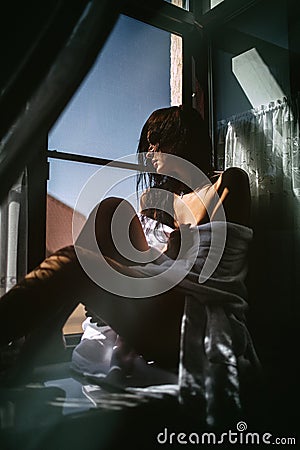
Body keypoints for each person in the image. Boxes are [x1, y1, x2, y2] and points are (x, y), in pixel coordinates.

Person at [0, 106, 255, 394]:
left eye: (156, 139)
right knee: (110, 209)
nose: (149, 151)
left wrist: (157, 263)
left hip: (186, 316)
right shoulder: (156, 201)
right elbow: (151, 260)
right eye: (146, 144)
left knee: (75, 263)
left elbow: (211, 277)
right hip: (152, 300)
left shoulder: (228, 183)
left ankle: (32, 346)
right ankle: (42, 341)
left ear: (183, 138)